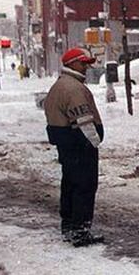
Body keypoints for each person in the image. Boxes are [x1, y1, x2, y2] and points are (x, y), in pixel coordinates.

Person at [44, 47, 105, 247]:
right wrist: (94, 142)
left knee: (70, 184)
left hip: (67, 144)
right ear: (72, 64)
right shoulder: (74, 89)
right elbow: (84, 122)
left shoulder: (60, 86)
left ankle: (69, 226)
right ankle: (80, 230)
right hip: (80, 145)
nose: (87, 67)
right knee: (84, 186)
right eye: (83, 63)